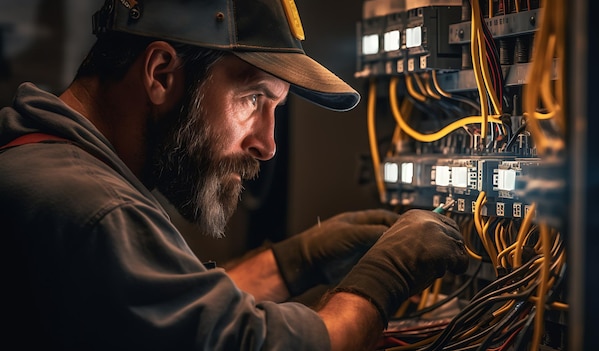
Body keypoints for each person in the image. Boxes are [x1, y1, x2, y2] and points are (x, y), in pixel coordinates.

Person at [0, 0, 468, 350]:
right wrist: (385, 279)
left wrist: (295, 260)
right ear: (161, 74)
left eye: (276, 110)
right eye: (252, 99)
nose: (267, 145)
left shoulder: (40, 164)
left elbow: (173, 312)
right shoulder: (92, 208)